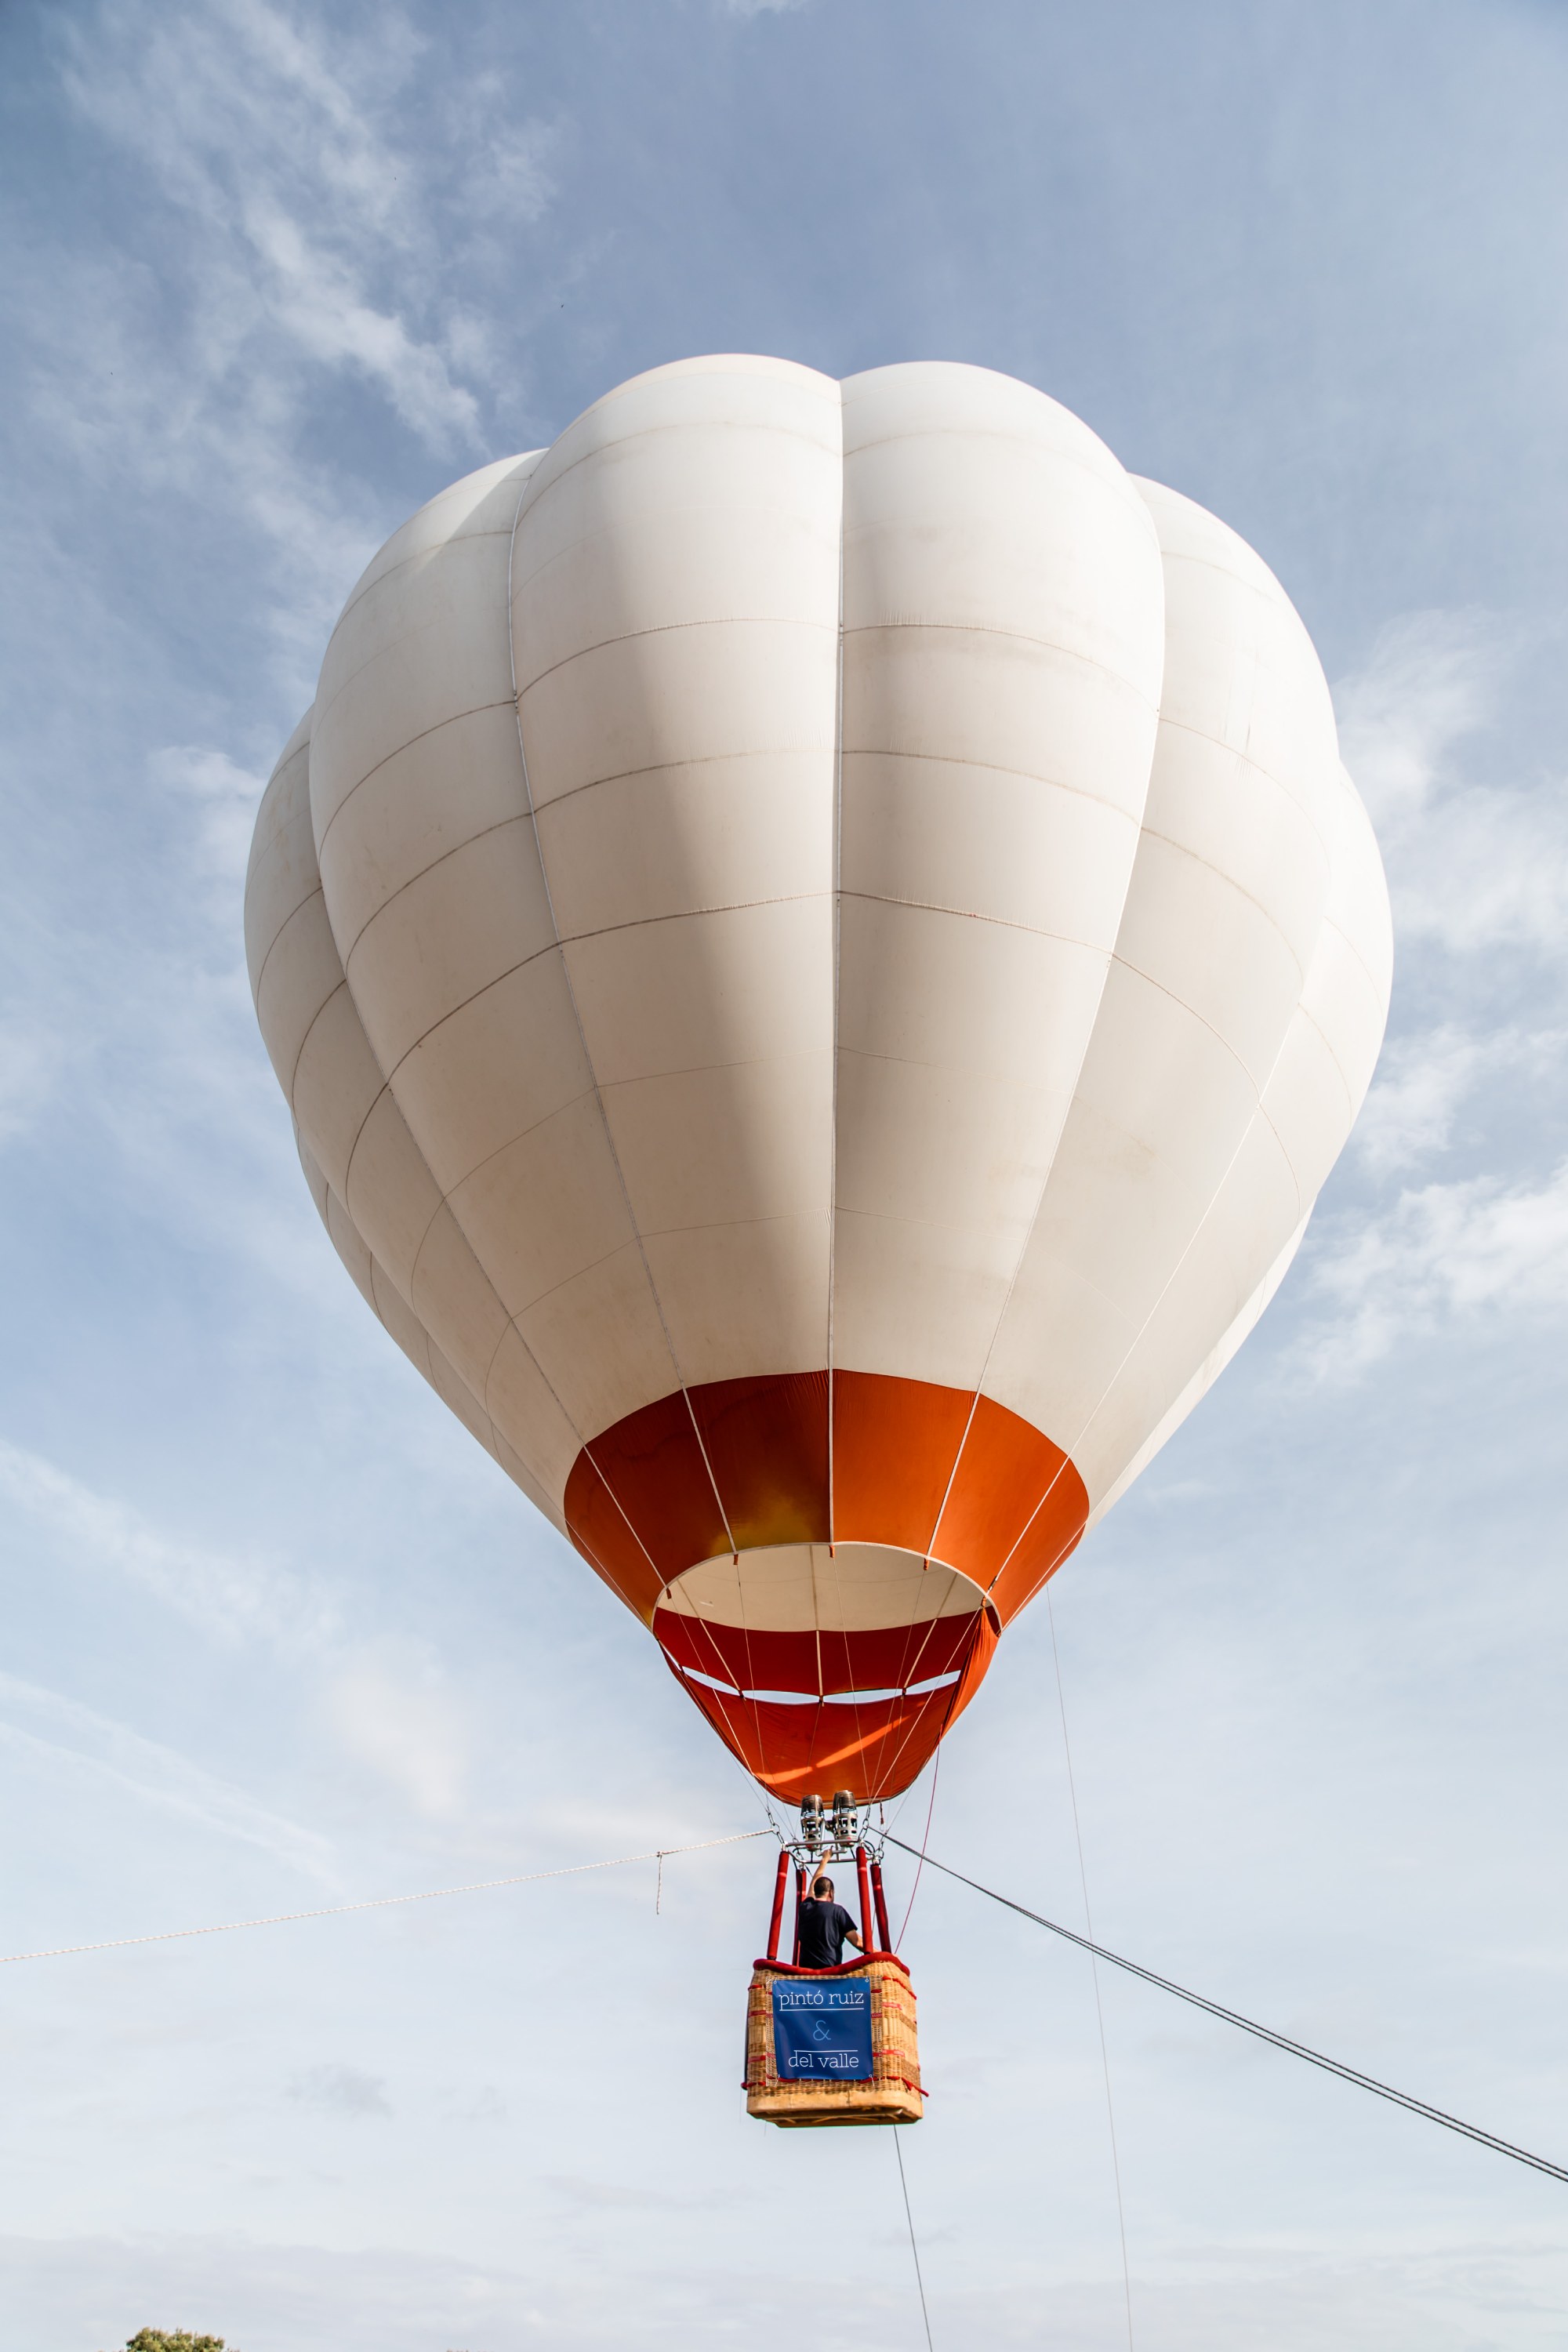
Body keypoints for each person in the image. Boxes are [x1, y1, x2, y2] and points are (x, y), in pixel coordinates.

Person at [796, 1872, 863, 1969]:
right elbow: (858, 1942)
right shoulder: (837, 1911)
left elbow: (811, 1888)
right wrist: (882, 1955)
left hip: (807, 1975)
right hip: (829, 1975)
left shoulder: (805, 1908)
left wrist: (824, 1860)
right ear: (831, 1893)